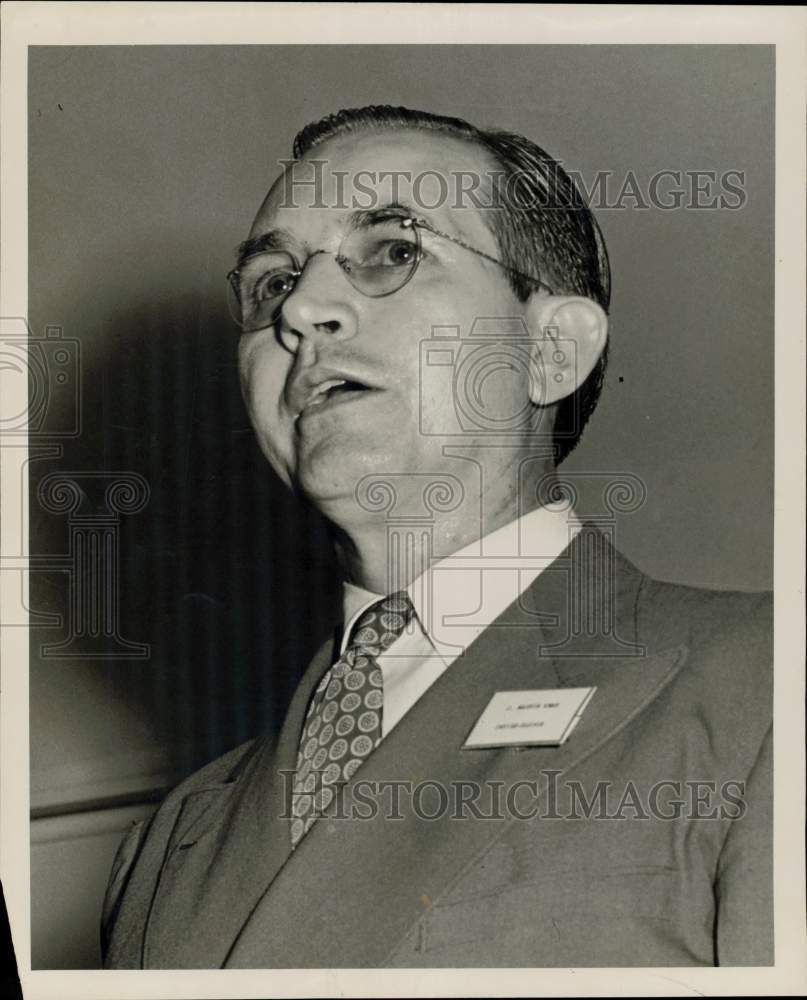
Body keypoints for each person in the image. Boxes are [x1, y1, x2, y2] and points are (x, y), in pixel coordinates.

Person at [101, 106, 772, 968]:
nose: (300, 309)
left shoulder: (759, 691)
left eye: (391, 251)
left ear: (549, 352)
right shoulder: (167, 845)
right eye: (271, 283)